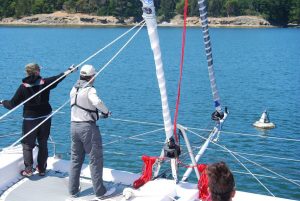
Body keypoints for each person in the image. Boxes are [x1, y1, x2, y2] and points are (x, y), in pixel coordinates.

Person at [0, 63, 77, 177]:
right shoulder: (44, 83)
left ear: (27, 72)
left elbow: (12, 104)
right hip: (45, 117)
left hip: (30, 119)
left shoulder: (23, 87)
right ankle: (41, 169)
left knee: (27, 144)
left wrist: (2, 102)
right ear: (36, 72)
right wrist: (70, 70)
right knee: (43, 142)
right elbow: (59, 78)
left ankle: (29, 170)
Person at [68, 64, 115, 200]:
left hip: (74, 126)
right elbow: (97, 102)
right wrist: (106, 112)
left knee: (76, 159)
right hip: (88, 129)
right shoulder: (89, 90)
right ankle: (100, 192)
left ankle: (73, 190)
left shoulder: (74, 89)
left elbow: (82, 109)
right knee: (95, 159)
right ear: (92, 76)